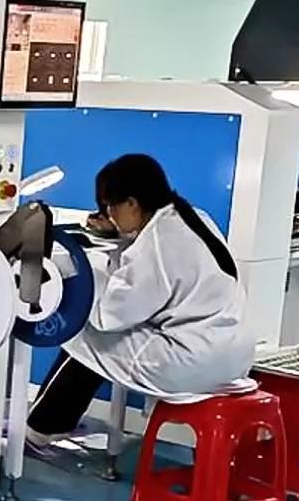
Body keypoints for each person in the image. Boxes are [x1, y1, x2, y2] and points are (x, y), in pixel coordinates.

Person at [27, 154, 254, 450]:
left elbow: (110, 314)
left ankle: (39, 430)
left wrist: (91, 267)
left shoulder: (160, 241)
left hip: (195, 361)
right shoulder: (191, 216)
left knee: (82, 329)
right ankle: (54, 421)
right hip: (234, 354)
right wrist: (118, 233)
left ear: (132, 203)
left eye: (110, 207)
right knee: (102, 340)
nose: (109, 215)